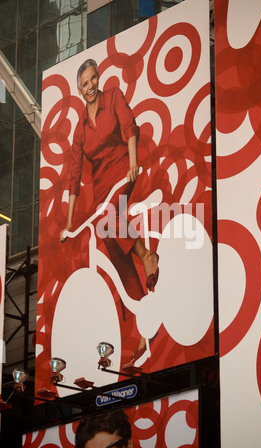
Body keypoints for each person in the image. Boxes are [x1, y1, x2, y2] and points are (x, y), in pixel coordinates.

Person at [59, 59, 159, 366]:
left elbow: (130, 128)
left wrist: (132, 163)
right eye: (84, 83)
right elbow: (74, 178)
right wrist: (69, 223)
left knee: (109, 221)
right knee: (114, 251)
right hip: (101, 189)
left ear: (99, 79)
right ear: (78, 89)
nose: (90, 87)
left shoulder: (113, 96)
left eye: (93, 80)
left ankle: (147, 255)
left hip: (123, 173)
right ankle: (146, 325)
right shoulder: (79, 130)